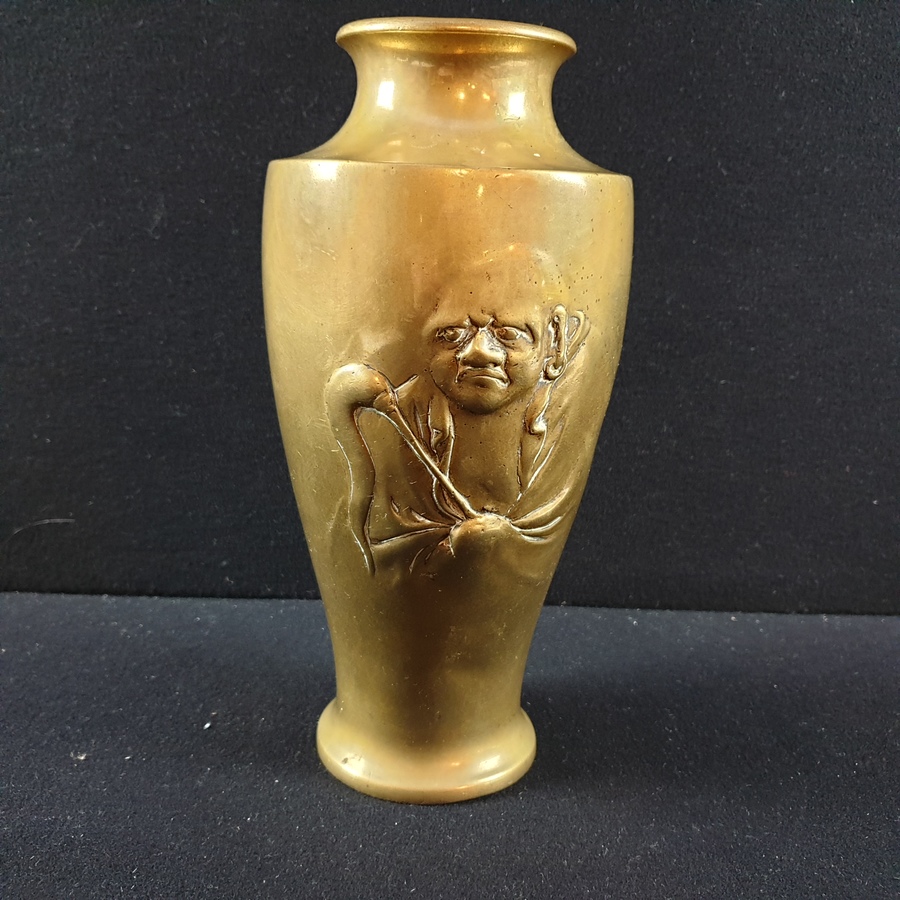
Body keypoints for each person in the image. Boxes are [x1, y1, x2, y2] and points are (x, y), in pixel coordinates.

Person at [326, 244, 589, 574]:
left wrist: (496, 541)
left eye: (507, 334)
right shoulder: (396, 423)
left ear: (556, 342)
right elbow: (357, 550)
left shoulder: (561, 413)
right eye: (452, 334)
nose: (479, 352)